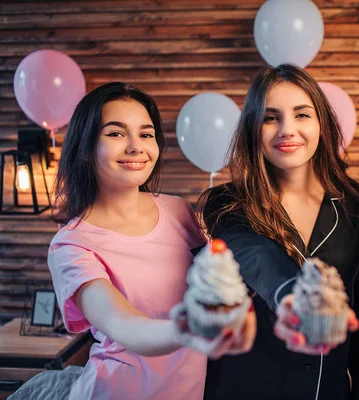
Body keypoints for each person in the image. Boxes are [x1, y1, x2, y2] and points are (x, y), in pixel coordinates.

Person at [9, 82, 256, 400]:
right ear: (85, 148)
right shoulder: (71, 245)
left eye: (146, 133)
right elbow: (124, 324)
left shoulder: (177, 209)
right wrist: (192, 328)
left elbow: (212, 281)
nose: (136, 146)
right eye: (115, 133)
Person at [199, 64, 359, 400]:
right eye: (271, 117)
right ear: (253, 128)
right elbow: (254, 255)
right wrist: (293, 296)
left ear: (322, 124)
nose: (287, 129)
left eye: (302, 115)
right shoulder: (227, 202)